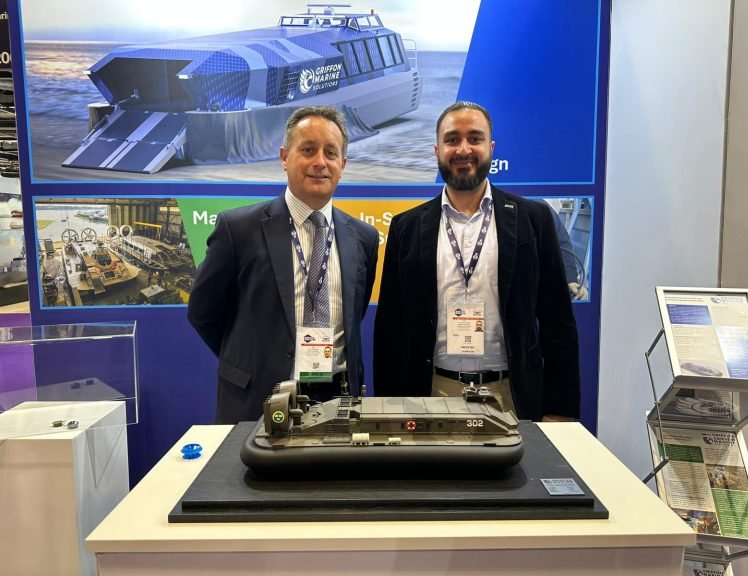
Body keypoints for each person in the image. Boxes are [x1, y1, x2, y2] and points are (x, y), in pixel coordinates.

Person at [373, 101, 579, 421]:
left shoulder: (533, 220)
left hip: (511, 397)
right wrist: (388, 409)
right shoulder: (407, 227)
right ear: (437, 150)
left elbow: (558, 321)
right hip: (431, 393)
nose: (463, 149)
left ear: (491, 148)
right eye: (452, 139)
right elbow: (390, 328)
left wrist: (560, 411)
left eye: (474, 138)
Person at [188, 105, 379, 424]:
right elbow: (202, 312)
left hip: (338, 401)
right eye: (308, 150)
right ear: (284, 157)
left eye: (331, 153)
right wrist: (247, 363)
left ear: (343, 165)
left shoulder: (363, 238)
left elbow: (353, 315)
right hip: (259, 398)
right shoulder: (238, 230)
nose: (320, 162)